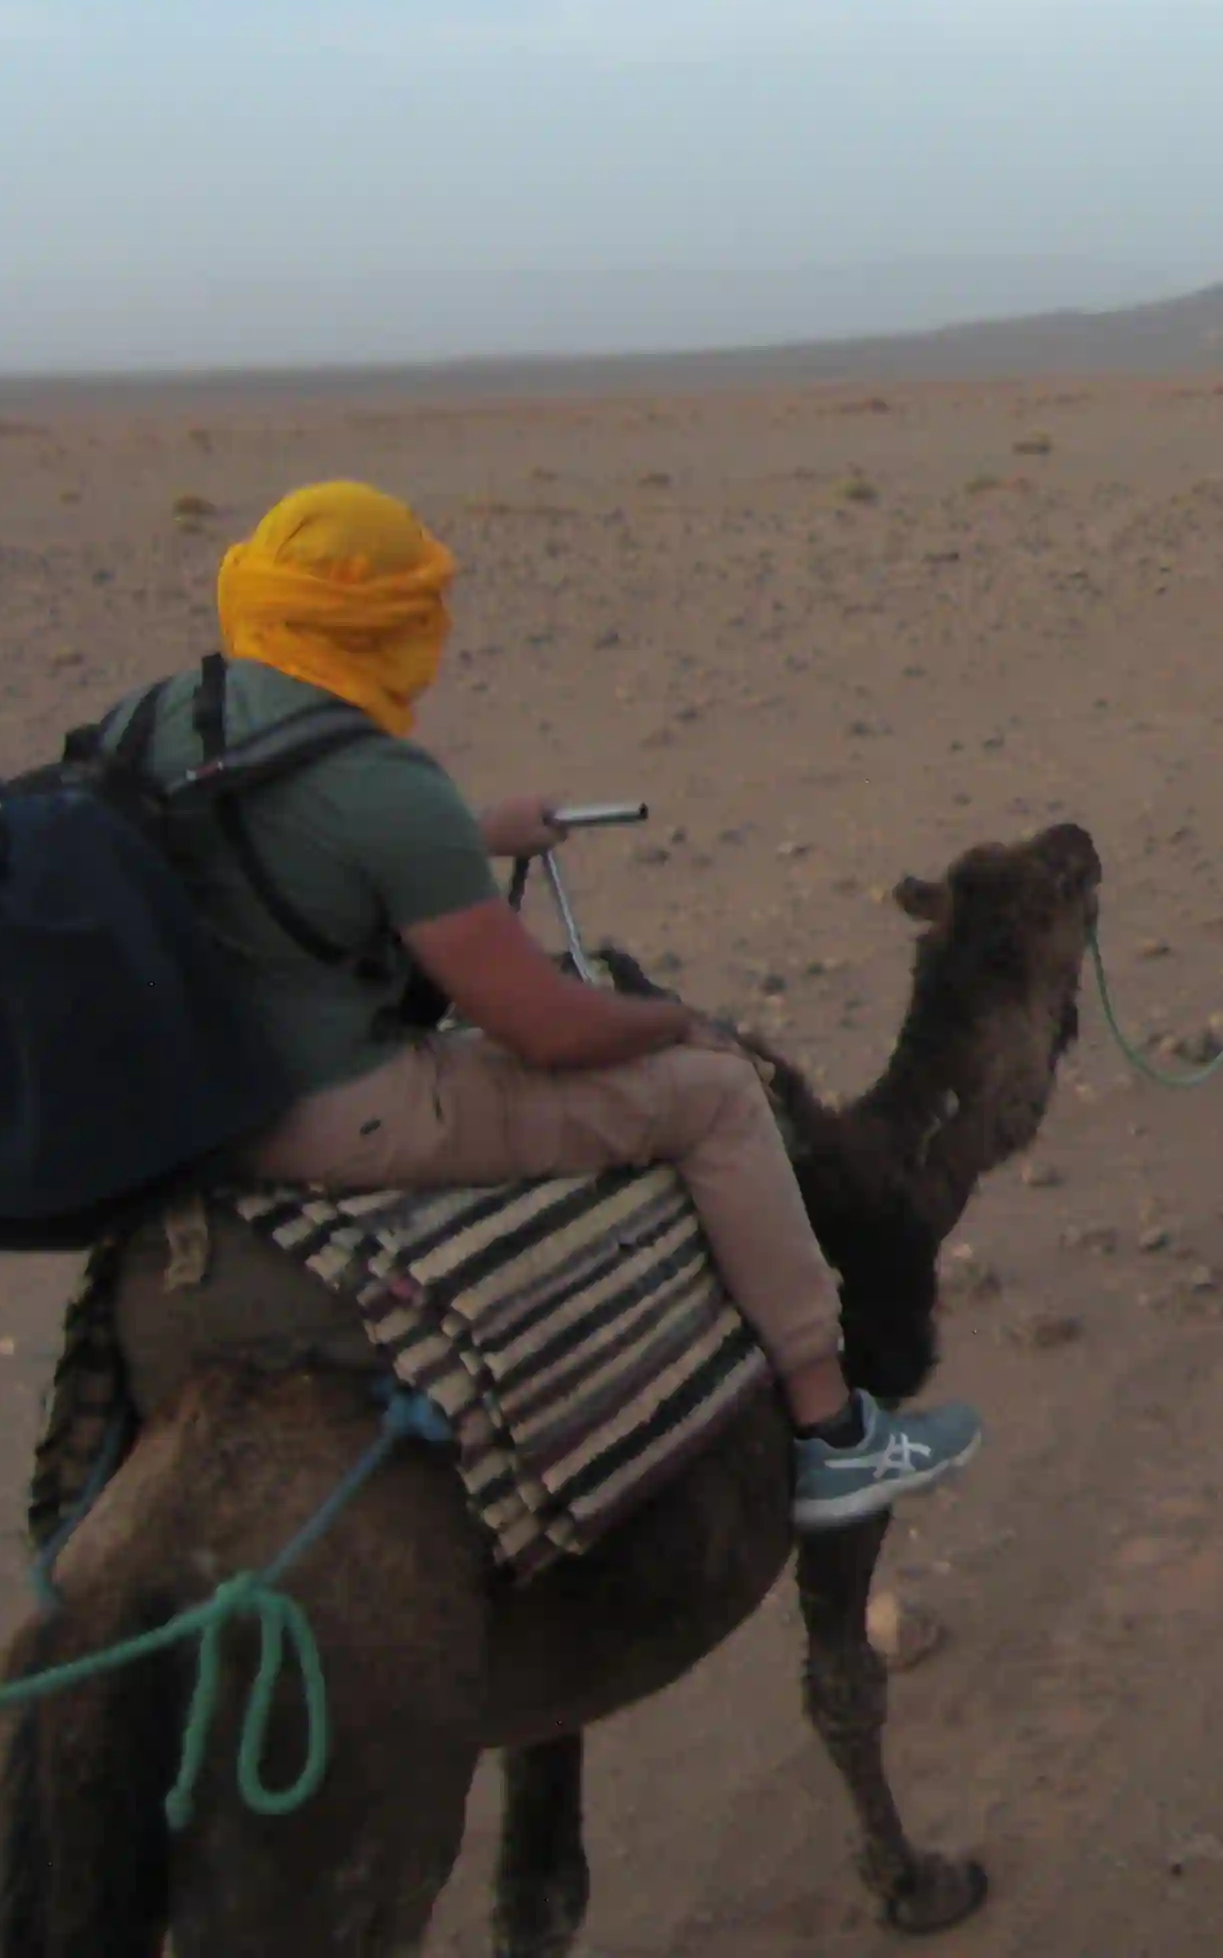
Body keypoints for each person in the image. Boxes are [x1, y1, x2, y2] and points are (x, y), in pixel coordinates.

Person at [137, 482, 978, 1532]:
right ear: (389, 624)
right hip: (333, 1111)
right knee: (715, 1094)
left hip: (183, 1097)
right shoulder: (380, 781)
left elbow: (293, 842)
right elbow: (543, 1027)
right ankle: (833, 1432)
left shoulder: (161, 720)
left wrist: (469, 833)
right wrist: (674, 1025)